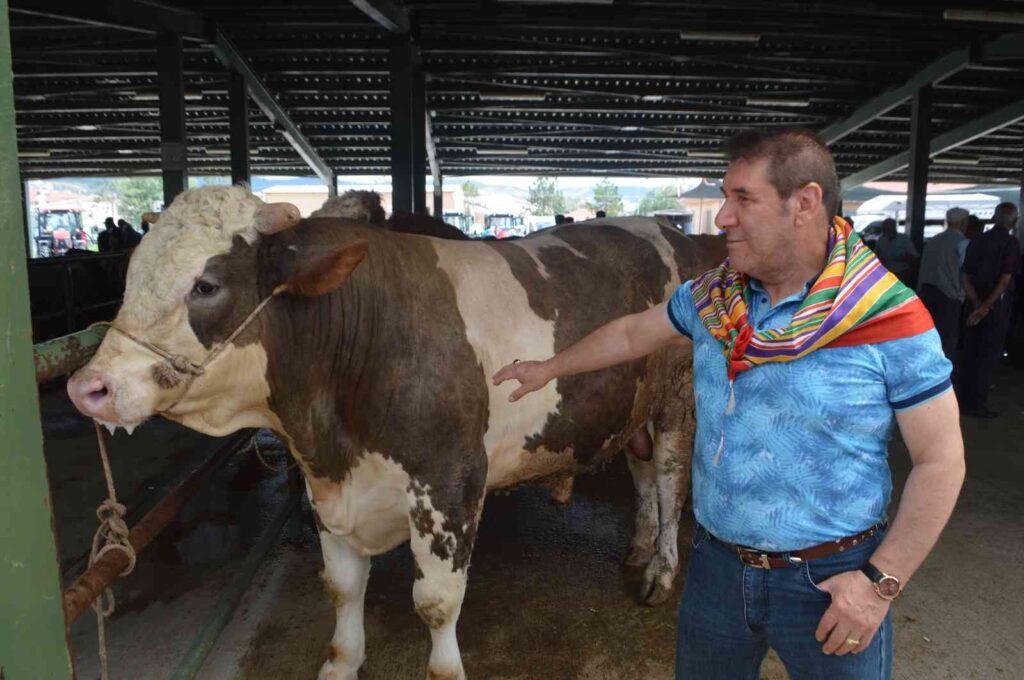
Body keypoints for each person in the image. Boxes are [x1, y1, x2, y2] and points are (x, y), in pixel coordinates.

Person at [494, 128, 964, 680]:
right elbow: (631, 334)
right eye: (724, 197)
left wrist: (879, 584)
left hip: (832, 581)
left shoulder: (888, 319)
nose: (721, 217)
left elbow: (941, 461)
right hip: (719, 568)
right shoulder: (714, 299)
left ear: (804, 204)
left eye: (743, 198)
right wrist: (549, 368)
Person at [959, 202, 1021, 417]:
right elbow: (1004, 281)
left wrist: (976, 304)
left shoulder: (977, 240)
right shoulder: (1010, 243)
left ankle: (963, 399)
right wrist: (986, 308)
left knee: (970, 351)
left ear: (994, 218)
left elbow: (964, 276)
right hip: (996, 305)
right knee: (988, 354)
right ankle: (976, 403)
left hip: (973, 301)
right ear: (1015, 221)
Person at [917, 207, 969, 363]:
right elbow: (964, 273)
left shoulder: (933, 241)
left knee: (928, 337)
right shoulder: (962, 243)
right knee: (947, 340)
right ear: (963, 222)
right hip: (949, 296)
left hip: (927, 294)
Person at [874, 217, 918, 287]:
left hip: (902, 272)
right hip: (886, 272)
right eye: (885, 227)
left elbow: (914, 255)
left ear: (893, 227)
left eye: (888, 227)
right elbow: (876, 254)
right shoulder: (881, 239)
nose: (886, 229)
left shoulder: (904, 238)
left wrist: (903, 257)